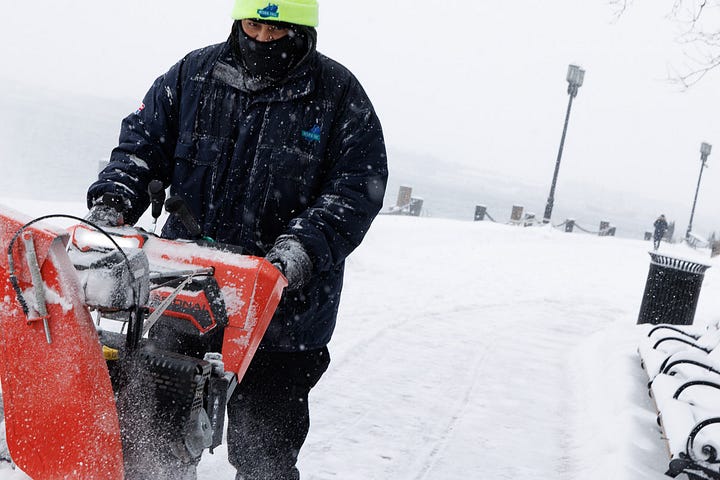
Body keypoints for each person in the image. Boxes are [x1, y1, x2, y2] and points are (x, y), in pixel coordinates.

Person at [86, 0, 388, 478]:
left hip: (284, 311)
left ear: (303, 30)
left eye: (277, 30)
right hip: (185, 291)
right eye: (253, 25)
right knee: (152, 432)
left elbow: (355, 190)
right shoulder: (193, 75)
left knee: (264, 450)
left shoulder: (339, 96)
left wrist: (299, 251)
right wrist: (113, 202)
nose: (263, 40)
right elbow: (141, 146)